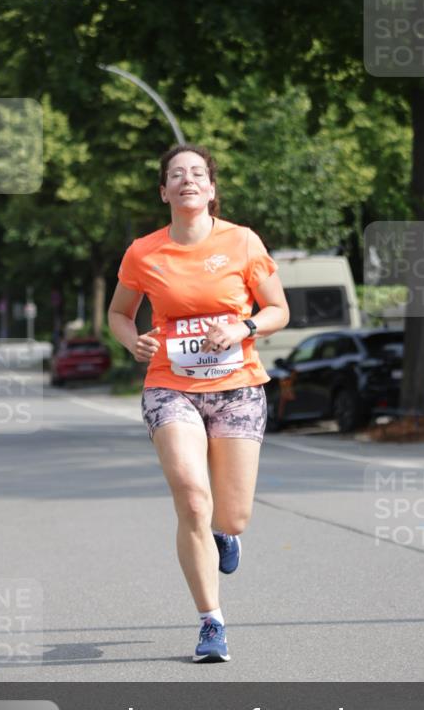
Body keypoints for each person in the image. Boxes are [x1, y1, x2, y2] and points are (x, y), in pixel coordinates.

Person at [108, 144, 290, 663]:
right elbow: (120, 313)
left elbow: (278, 309)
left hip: (237, 386)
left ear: (211, 188)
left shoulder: (243, 242)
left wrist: (244, 326)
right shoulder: (144, 252)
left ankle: (223, 535)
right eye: (176, 174)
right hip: (171, 385)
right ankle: (212, 622)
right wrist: (132, 341)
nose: (187, 180)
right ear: (164, 191)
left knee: (232, 516)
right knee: (191, 495)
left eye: (197, 173)